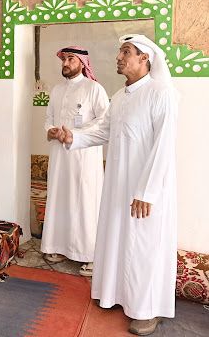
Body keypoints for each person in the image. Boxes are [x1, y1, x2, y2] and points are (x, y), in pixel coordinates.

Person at [54, 35, 178, 336]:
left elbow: (164, 146)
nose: (119, 57)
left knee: (143, 246)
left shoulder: (162, 93)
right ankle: (116, 295)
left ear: (144, 58)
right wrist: (75, 138)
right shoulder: (120, 96)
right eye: (120, 52)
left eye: (126, 52)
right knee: (117, 238)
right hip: (118, 184)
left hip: (146, 189)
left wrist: (146, 192)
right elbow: (103, 131)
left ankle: (147, 310)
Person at [41, 46, 109, 276]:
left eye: (71, 59)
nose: (66, 63)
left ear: (82, 62)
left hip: (84, 155)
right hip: (60, 155)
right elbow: (49, 118)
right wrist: (51, 130)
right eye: (64, 59)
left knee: (84, 201)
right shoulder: (57, 90)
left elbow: (104, 121)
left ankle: (90, 255)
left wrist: (75, 135)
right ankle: (60, 247)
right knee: (61, 198)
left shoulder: (94, 88)